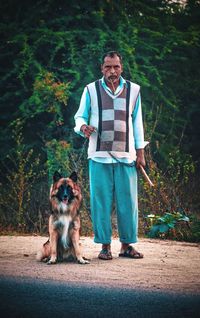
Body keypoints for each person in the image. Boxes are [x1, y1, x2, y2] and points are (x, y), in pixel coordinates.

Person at [74, 51, 147, 260]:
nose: (112, 71)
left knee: (128, 203)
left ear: (121, 68)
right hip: (99, 156)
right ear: (102, 68)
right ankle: (105, 246)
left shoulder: (134, 90)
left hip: (127, 156)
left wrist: (140, 152)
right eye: (108, 67)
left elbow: (137, 123)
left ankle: (126, 246)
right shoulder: (91, 89)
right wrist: (83, 127)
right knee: (101, 202)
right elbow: (79, 116)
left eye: (116, 67)